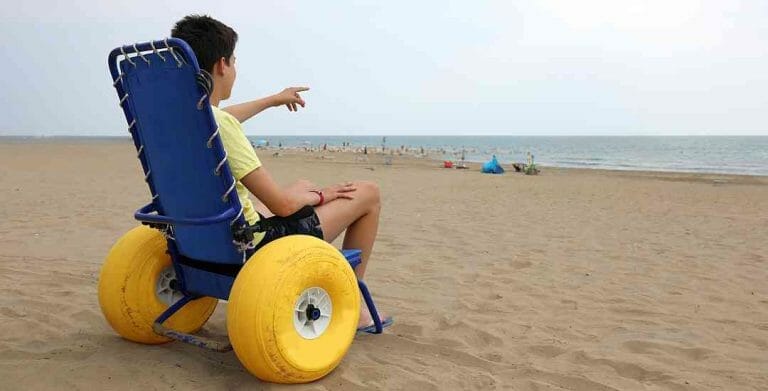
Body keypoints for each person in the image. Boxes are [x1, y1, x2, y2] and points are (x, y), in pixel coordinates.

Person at [171, 15, 389, 331]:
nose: (234, 68)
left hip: (197, 240)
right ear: (222, 65)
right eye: (233, 61)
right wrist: (321, 195)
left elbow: (221, 116)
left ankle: (305, 193)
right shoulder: (221, 125)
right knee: (367, 193)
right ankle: (351, 301)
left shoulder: (180, 122)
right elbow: (283, 208)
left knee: (296, 187)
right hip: (249, 248)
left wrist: (274, 99)